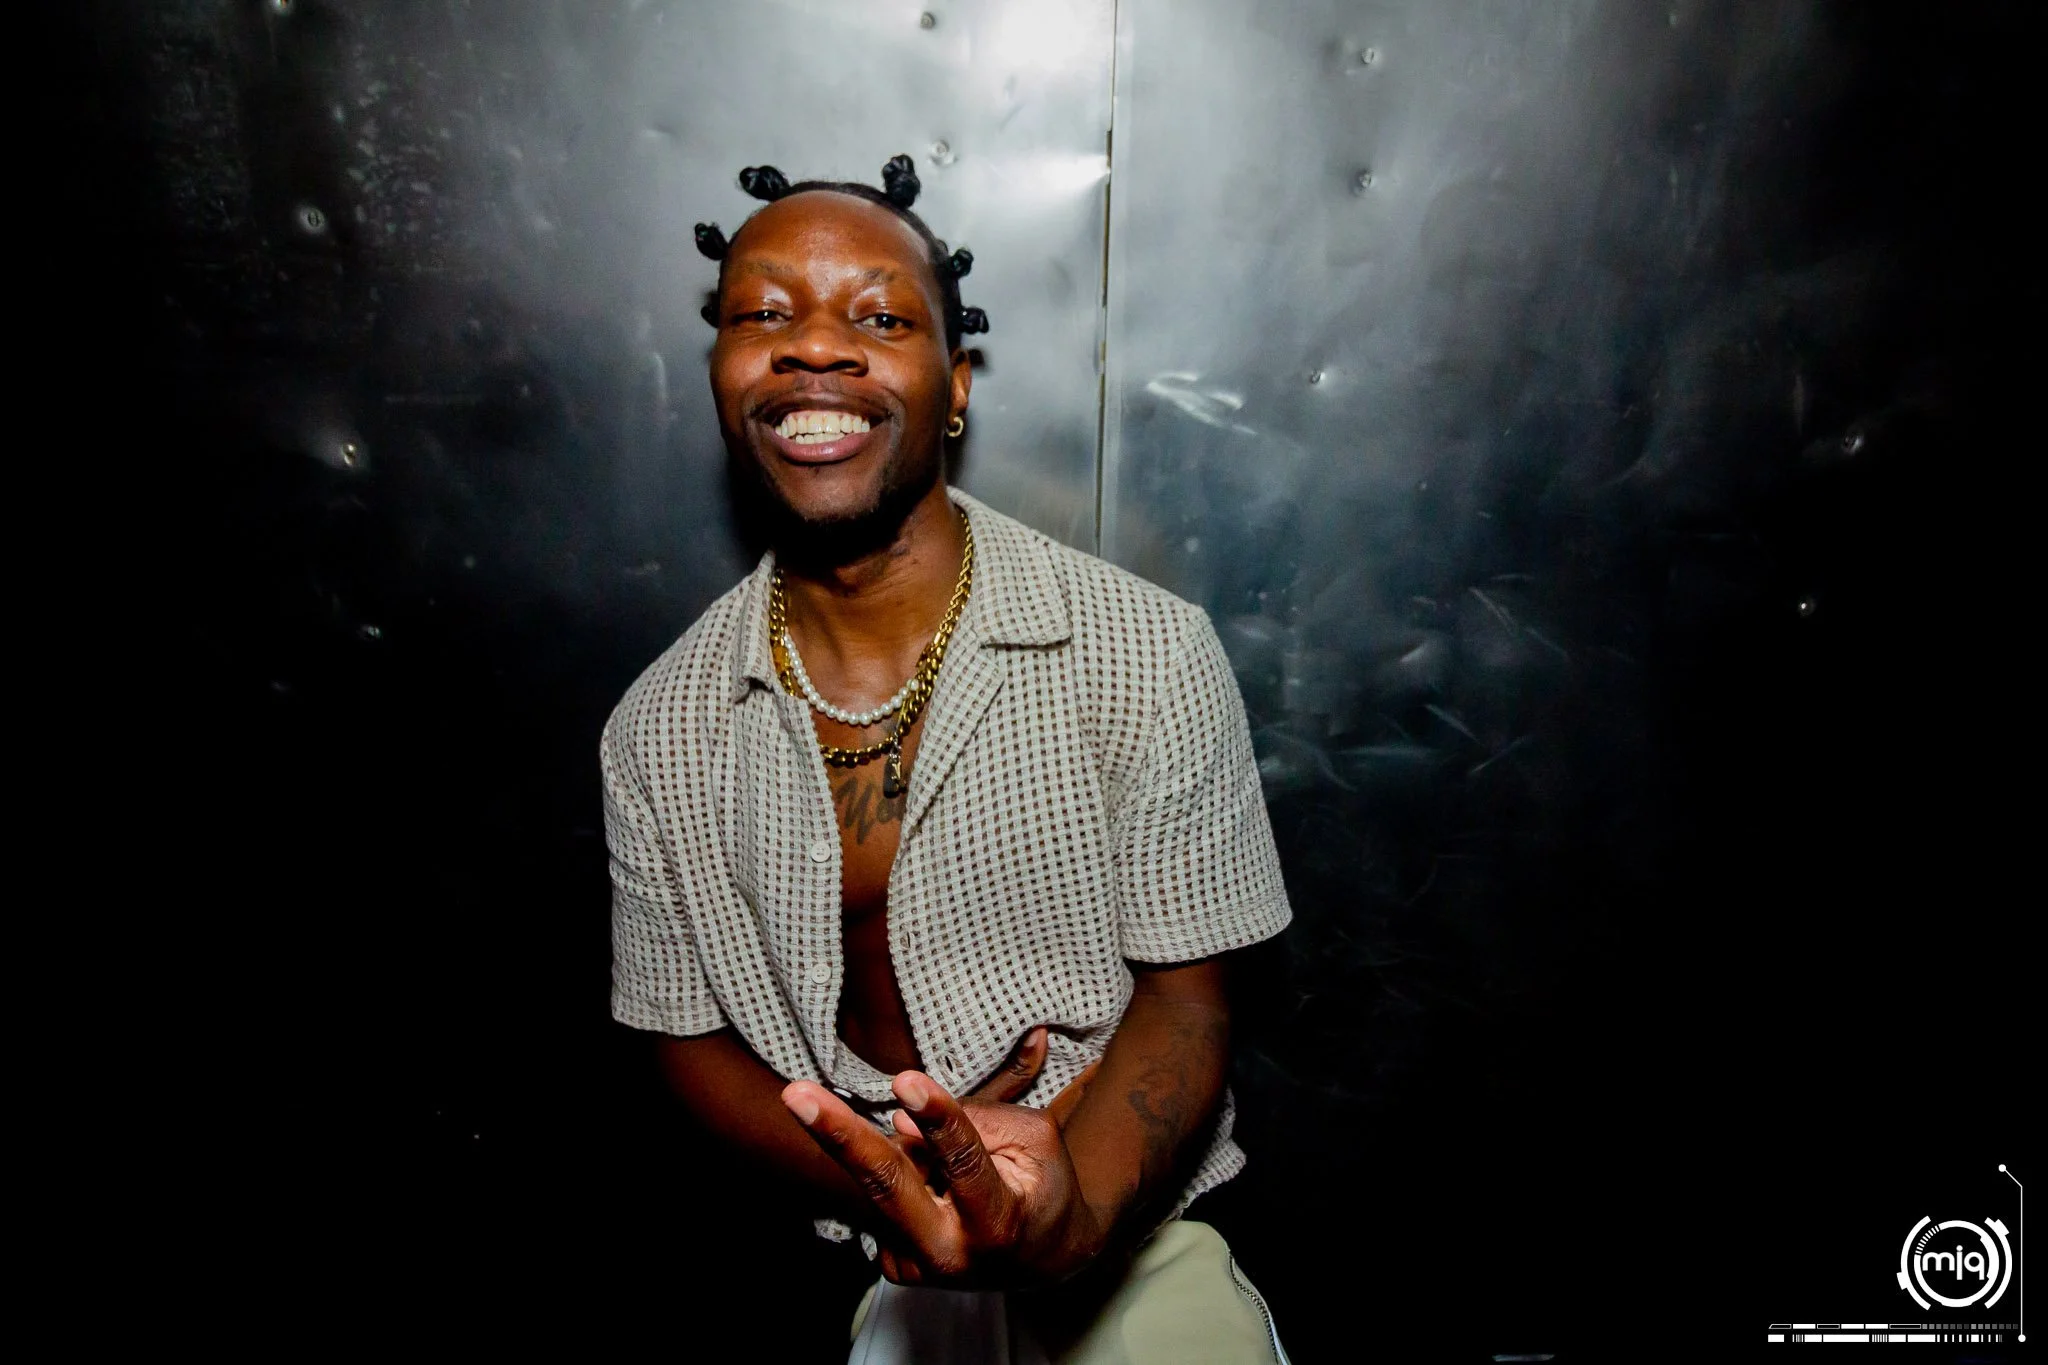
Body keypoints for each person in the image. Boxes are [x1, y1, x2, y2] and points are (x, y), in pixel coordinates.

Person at [602, 155, 1292, 1363]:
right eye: (762, 315)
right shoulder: (658, 728)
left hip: (1132, 1232)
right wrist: (896, 1182)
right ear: (719, 378)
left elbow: (1190, 999)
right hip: (856, 1258)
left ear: (955, 385)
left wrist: (1062, 1215)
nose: (815, 347)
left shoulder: (1142, 653)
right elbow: (681, 1037)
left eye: (879, 319)